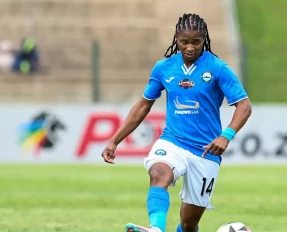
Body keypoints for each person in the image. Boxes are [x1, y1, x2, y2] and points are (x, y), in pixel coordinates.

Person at [101, 13, 252, 232]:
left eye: (196, 42)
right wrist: (115, 140)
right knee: (158, 173)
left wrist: (226, 135)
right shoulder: (163, 68)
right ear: (176, 39)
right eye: (185, 42)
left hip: (206, 151)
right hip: (173, 142)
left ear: (204, 40)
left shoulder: (218, 68)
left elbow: (244, 106)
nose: (190, 47)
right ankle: (156, 228)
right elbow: (143, 105)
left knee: (189, 224)